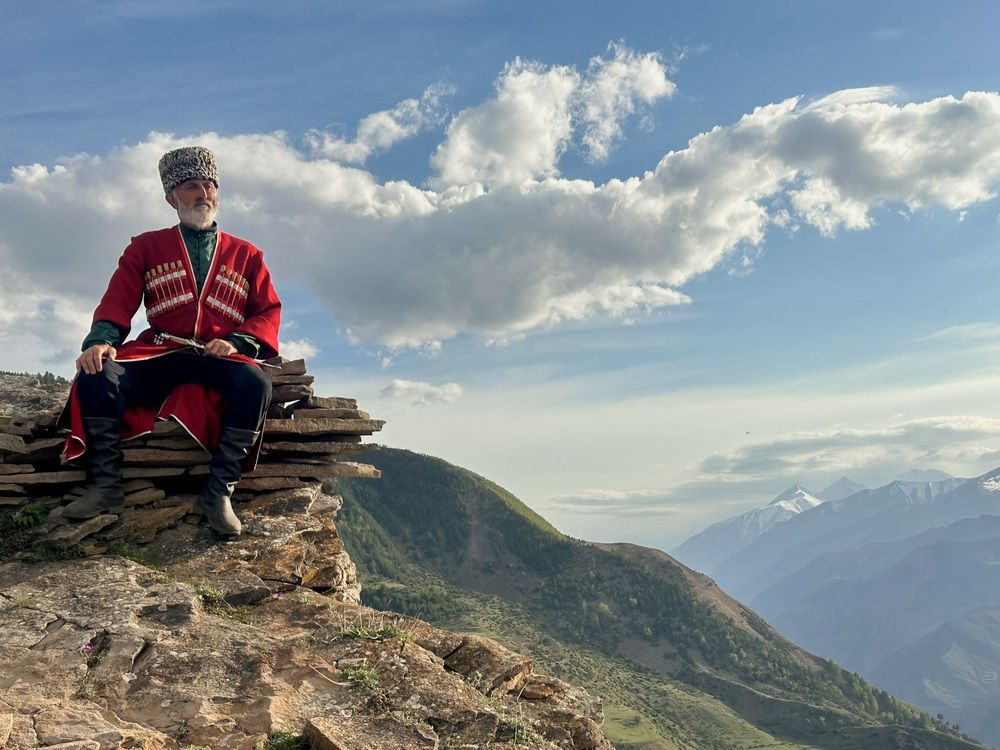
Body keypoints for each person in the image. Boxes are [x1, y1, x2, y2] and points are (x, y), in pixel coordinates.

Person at [59, 146, 281, 537]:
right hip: (161, 349)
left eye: (210, 185)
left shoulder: (247, 255)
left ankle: (219, 491)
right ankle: (106, 485)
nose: (203, 194)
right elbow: (118, 301)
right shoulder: (145, 247)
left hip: (218, 355)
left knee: (255, 382)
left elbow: (267, 312)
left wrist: (237, 342)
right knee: (96, 374)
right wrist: (101, 341)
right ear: (171, 197)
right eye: (192, 186)